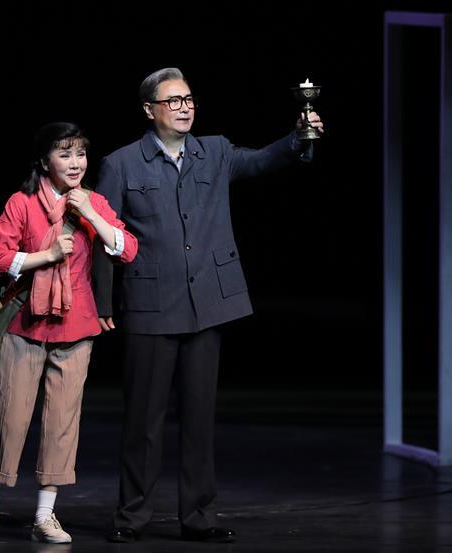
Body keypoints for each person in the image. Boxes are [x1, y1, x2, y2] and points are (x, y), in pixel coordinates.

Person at [94, 67, 324, 543]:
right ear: (149, 110)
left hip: (207, 305)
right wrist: (102, 301)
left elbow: (262, 160)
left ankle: (199, 517)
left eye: (188, 99)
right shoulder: (121, 164)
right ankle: (131, 518)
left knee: (199, 419)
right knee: (143, 422)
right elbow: (102, 236)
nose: (184, 108)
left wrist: (299, 136)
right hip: (151, 305)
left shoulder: (214, 151)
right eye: (173, 101)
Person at [0, 122, 138, 544]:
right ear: (45, 161)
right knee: (10, 417)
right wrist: (44, 255)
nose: (75, 162)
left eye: (80, 153)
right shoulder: (23, 202)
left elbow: (126, 250)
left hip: (76, 324)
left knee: (62, 422)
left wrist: (91, 214)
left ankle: (45, 516)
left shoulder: (94, 202)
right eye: (64, 154)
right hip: (25, 325)